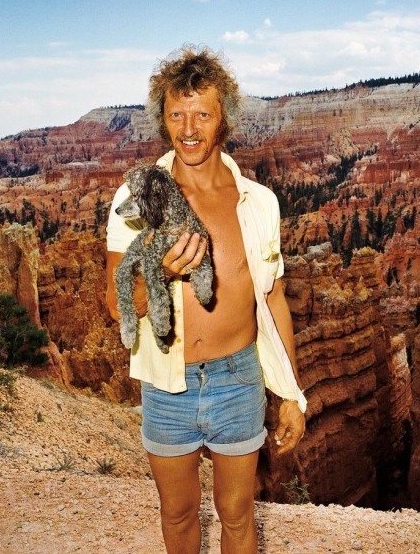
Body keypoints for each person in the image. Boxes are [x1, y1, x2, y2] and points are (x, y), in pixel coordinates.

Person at [106, 46, 306, 553]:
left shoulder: (258, 203)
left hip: (239, 379)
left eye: (202, 113)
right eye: (176, 114)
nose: (188, 128)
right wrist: (160, 272)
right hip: (167, 384)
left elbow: (274, 299)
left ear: (223, 121)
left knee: (237, 515)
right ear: (162, 120)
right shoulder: (136, 203)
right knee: (176, 515)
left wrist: (291, 393)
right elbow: (115, 305)